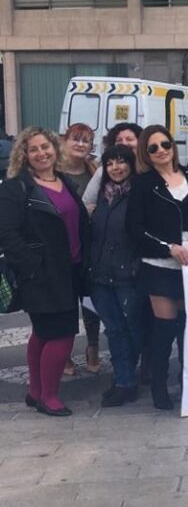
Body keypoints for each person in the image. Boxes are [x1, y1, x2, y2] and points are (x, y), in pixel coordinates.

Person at [0, 127, 90, 416]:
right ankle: (49, 397)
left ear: (55, 148)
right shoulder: (16, 188)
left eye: (45, 147)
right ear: (24, 155)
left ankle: (36, 391)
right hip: (41, 273)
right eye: (33, 149)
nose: (41, 153)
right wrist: (32, 266)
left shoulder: (63, 181)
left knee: (42, 333)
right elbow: (7, 233)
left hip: (70, 269)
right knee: (62, 334)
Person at [127, 125, 188, 410]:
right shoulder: (142, 184)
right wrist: (168, 247)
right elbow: (134, 228)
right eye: (153, 148)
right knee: (164, 328)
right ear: (146, 154)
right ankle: (159, 387)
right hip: (160, 264)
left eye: (165, 144)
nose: (161, 150)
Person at [87, 144, 143, 407]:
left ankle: (127, 379)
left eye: (121, 162)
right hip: (100, 275)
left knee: (131, 329)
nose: (116, 168)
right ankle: (124, 380)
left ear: (131, 165)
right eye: (110, 163)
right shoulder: (102, 196)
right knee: (114, 330)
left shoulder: (138, 194)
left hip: (126, 274)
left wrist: (133, 265)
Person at [60, 122, 101, 375]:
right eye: (76, 138)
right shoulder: (52, 172)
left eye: (86, 140)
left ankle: (93, 347)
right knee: (64, 302)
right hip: (62, 248)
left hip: (89, 246)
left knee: (90, 301)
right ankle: (64, 352)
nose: (80, 144)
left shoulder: (94, 171)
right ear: (65, 141)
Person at [82, 123, 144, 210]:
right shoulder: (103, 172)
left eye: (129, 139)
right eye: (119, 140)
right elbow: (87, 203)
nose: (124, 143)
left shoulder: (146, 169)